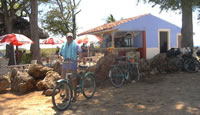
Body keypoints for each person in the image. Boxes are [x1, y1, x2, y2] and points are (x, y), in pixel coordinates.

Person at [59, 32, 81, 101]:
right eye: (68, 37)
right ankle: (67, 96)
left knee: (73, 80)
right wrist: (61, 57)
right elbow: (59, 53)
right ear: (66, 38)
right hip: (65, 64)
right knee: (64, 80)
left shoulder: (76, 45)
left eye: (71, 37)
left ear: (72, 38)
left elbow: (80, 52)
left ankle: (75, 96)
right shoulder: (63, 45)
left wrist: (79, 58)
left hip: (72, 63)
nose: (69, 38)